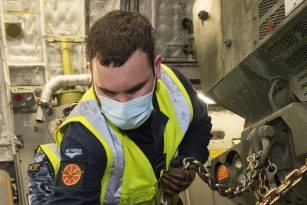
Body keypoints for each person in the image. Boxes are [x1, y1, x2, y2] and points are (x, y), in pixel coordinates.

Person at [46, 10, 212, 205]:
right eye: (108, 92)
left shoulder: (175, 86)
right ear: (90, 72)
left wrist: (187, 163)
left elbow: (199, 127)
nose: (122, 105)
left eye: (135, 90)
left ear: (156, 67)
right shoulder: (84, 135)